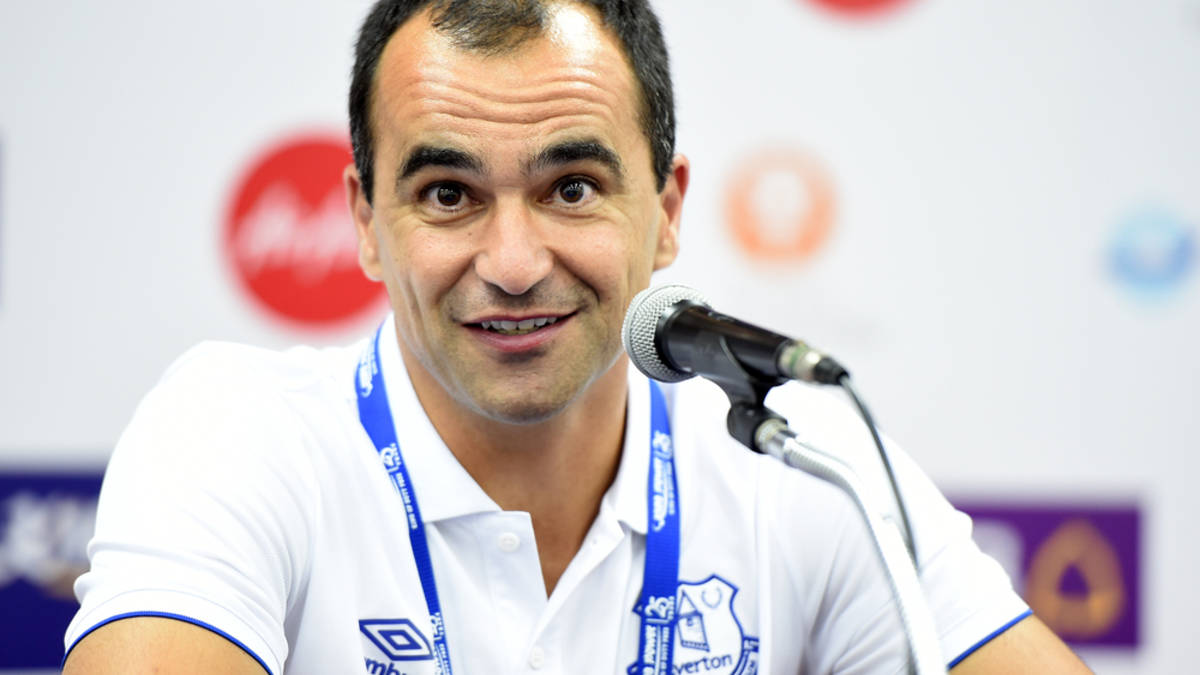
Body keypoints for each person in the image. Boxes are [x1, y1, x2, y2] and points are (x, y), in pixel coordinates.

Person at [63, 1, 1092, 673]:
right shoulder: (239, 437)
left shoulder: (795, 454)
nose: (513, 262)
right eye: (449, 193)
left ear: (667, 212)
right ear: (367, 221)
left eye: (571, 188)